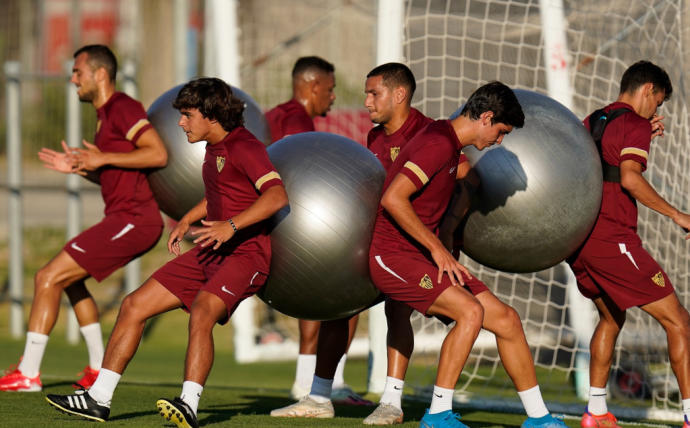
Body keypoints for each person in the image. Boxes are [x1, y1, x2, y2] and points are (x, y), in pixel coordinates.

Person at [45, 77, 289, 428]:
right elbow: (224, 193)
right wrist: (187, 219)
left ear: (211, 115)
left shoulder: (245, 146)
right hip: (211, 251)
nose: (180, 123)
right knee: (133, 305)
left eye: (187, 115)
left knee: (202, 311)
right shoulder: (214, 148)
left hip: (246, 255)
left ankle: (188, 404)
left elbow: (276, 196)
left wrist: (231, 226)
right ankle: (98, 398)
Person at [0, 44, 167, 392]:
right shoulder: (105, 117)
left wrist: (101, 158)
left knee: (47, 276)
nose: (72, 79)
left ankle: (28, 373)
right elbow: (115, 173)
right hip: (122, 217)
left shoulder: (122, 106)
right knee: (69, 281)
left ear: (100, 74)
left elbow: (157, 154)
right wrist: (80, 168)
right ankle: (95, 368)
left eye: (78, 72)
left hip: (135, 219)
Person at [569, 60, 690, 428]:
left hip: (579, 240)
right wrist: (677, 214)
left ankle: (596, 412)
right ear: (648, 90)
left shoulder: (594, 120)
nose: (656, 111)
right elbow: (630, 179)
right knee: (679, 322)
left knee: (611, 318)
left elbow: (603, 159)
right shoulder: (634, 124)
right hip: (612, 240)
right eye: (659, 102)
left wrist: (640, 133)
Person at [265, 56, 369, 405]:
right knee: (344, 296)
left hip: (268, 225)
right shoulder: (298, 123)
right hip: (291, 227)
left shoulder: (274, 117)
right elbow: (302, 178)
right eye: (330, 88)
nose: (333, 96)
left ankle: (307, 381)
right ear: (313, 86)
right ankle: (327, 384)